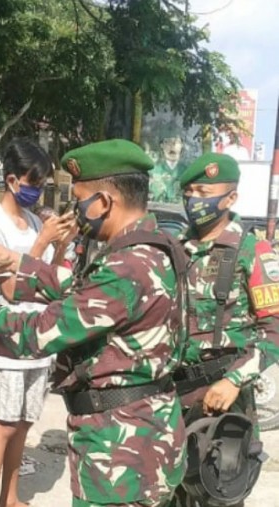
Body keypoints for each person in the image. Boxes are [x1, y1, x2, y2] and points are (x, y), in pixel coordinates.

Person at [0, 139, 187, 507]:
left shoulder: (128, 264)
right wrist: (17, 263)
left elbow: (39, 332)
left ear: (103, 203)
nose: (76, 212)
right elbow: (85, 290)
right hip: (143, 436)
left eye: (79, 200)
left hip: (121, 454)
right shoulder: (151, 247)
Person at [171, 153, 279, 506]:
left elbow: (273, 329)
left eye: (204, 190)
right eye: (189, 192)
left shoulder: (251, 249)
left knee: (218, 492)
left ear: (230, 198)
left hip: (224, 402)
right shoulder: (176, 250)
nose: (194, 200)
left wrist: (233, 380)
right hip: (174, 398)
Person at [0, 139, 75, 507]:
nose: (38, 191)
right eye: (34, 183)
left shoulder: (34, 220)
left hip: (37, 339)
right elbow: (12, 289)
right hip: (5, 340)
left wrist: (62, 242)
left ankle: (11, 497)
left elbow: (50, 277)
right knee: (3, 425)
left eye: (43, 184)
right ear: (12, 180)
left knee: (23, 425)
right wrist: (40, 243)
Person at [149, 134, 188, 204]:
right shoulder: (153, 171)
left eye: (176, 142)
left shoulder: (188, 172)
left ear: (182, 145)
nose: (172, 146)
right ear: (162, 145)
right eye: (167, 142)